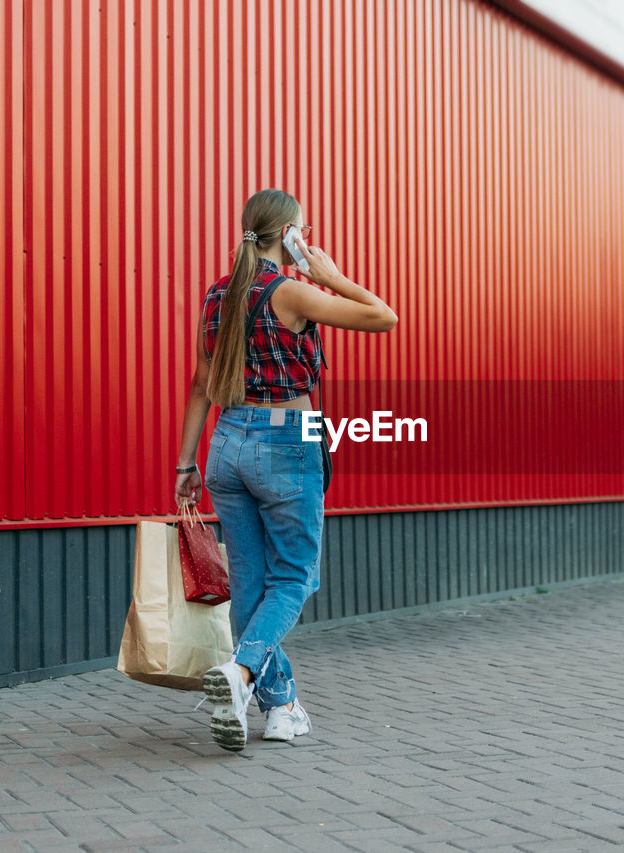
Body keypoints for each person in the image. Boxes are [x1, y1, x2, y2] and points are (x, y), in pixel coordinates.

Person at [173, 188, 397, 751]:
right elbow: (383, 317)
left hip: (225, 444)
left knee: (251, 584)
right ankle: (241, 674)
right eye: (304, 231)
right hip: (286, 441)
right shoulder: (293, 293)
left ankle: (281, 707)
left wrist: (185, 462)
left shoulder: (217, 296)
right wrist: (332, 274)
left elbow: (202, 385)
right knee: (296, 578)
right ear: (291, 234)